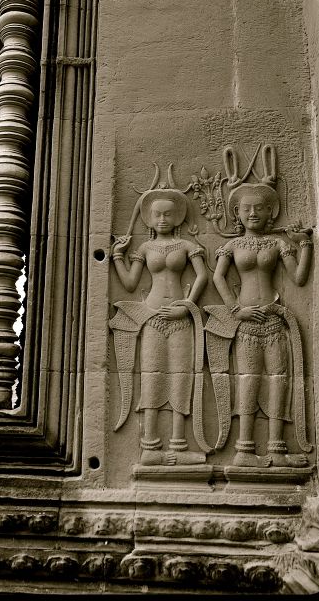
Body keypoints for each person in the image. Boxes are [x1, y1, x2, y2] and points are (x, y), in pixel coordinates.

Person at [210, 183, 313, 467]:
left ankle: (277, 449)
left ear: (270, 212)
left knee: (278, 381)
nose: (253, 213)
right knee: (248, 381)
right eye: (246, 209)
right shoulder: (232, 246)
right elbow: (218, 278)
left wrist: (304, 243)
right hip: (246, 322)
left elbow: (299, 278)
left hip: (274, 320)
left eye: (259, 208)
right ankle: (244, 450)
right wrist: (236, 310)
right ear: (237, 213)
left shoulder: (277, 244)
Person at [110, 186, 208, 466]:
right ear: (149, 219)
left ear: (177, 218)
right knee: (151, 377)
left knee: (180, 376)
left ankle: (178, 444)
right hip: (151, 316)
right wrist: (117, 255)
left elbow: (202, 277)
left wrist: (186, 306)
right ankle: (150, 446)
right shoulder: (144, 248)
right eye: (157, 215)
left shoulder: (187, 246)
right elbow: (130, 283)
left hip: (180, 317)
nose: (162, 219)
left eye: (168, 214)